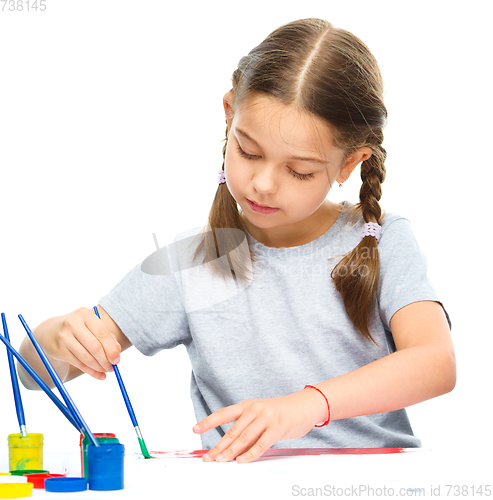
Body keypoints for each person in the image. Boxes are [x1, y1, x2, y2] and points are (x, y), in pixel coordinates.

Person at [18, 18, 456, 463]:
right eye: (248, 151)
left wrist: (307, 405)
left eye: (300, 171)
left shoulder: (381, 239)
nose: (263, 183)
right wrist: (57, 339)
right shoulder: (193, 261)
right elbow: (32, 374)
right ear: (229, 113)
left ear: (349, 164)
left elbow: (436, 363)